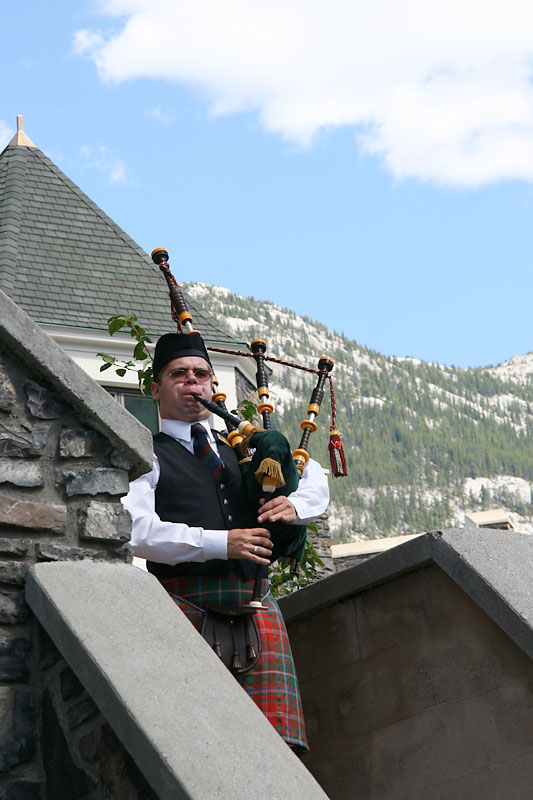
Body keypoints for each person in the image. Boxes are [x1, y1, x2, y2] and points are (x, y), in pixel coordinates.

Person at [122, 332, 329, 752]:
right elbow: (135, 531)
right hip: (185, 606)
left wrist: (294, 507)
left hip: (257, 606)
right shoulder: (147, 452)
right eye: (178, 374)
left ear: (213, 387)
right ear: (156, 389)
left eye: (200, 374)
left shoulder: (244, 449)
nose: (192, 382)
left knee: (275, 751)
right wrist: (221, 542)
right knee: (197, 746)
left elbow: (313, 477)